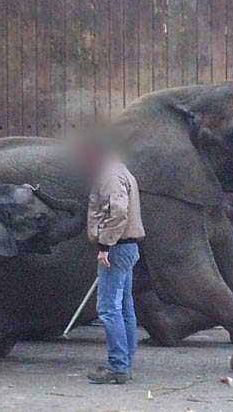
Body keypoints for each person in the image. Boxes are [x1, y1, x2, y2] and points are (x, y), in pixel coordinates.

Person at [85, 150, 145, 385]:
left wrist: (105, 245)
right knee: (124, 306)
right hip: (128, 247)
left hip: (117, 248)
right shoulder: (122, 170)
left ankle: (118, 365)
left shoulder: (109, 174)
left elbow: (118, 211)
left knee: (109, 308)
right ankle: (124, 362)